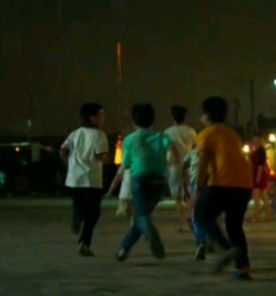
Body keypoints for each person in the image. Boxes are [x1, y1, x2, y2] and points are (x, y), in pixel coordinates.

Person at [192, 96, 253, 280]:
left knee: (201, 217)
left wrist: (198, 188)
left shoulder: (206, 133)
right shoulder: (232, 133)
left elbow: (203, 163)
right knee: (235, 225)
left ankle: (227, 249)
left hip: (221, 183)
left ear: (206, 115)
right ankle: (243, 268)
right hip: (244, 184)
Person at [107, 103, 177, 261]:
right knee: (142, 216)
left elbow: (126, 164)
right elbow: (173, 150)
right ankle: (123, 249)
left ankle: (150, 233)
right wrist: (169, 164)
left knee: (141, 216)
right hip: (159, 179)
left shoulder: (130, 139)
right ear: (153, 120)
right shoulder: (161, 136)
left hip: (140, 178)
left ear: (134, 121)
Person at [60, 102, 109, 257]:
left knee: (80, 205)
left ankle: (77, 218)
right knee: (93, 213)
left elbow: (63, 151)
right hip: (91, 180)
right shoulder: (99, 135)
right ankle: (84, 243)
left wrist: (70, 166)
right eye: (101, 115)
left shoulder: (75, 133)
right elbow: (101, 155)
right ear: (92, 118)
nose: (103, 118)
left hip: (74, 180)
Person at [164, 105, 198, 233]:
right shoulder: (191, 131)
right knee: (191, 193)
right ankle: (193, 220)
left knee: (178, 197)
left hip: (174, 166)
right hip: (189, 165)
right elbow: (195, 148)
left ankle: (183, 224)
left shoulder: (168, 132)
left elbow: (166, 149)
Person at [249, 137, 272, 222]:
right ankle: (267, 215)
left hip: (258, 175)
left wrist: (257, 178)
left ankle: (258, 216)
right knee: (264, 196)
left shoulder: (259, 152)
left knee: (256, 197)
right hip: (261, 175)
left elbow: (260, 165)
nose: (252, 142)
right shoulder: (260, 151)